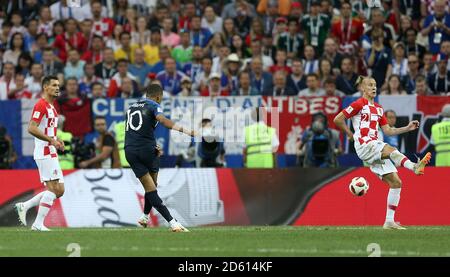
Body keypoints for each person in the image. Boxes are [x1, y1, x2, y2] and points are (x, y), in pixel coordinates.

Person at [333, 75, 432, 230]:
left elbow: (388, 130)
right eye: (370, 85)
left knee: (396, 183)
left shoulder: (379, 109)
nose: (373, 87)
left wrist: (407, 128)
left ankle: (389, 221)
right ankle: (414, 166)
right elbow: (338, 119)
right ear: (363, 88)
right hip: (365, 145)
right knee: (391, 150)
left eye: (375, 85)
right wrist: (349, 134)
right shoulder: (359, 104)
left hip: (374, 147)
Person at [125, 84, 194, 232]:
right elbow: (162, 121)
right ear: (158, 96)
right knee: (152, 188)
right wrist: (186, 131)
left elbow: (137, 131)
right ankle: (173, 222)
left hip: (130, 151)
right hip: (146, 151)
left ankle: (144, 217)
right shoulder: (154, 105)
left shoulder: (131, 107)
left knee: (149, 186)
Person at [15, 75, 66, 231]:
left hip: (50, 150)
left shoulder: (52, 107)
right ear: (45, 87)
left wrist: (57, 139)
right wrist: (51, 141)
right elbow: (32, 128)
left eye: (58, 85)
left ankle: (25, 205)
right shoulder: (41, 105)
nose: (57, 88)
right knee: (53, 189)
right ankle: (38, 224)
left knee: (59, 190)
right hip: (44, 151)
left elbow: (48, 130)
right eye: (54, 85)